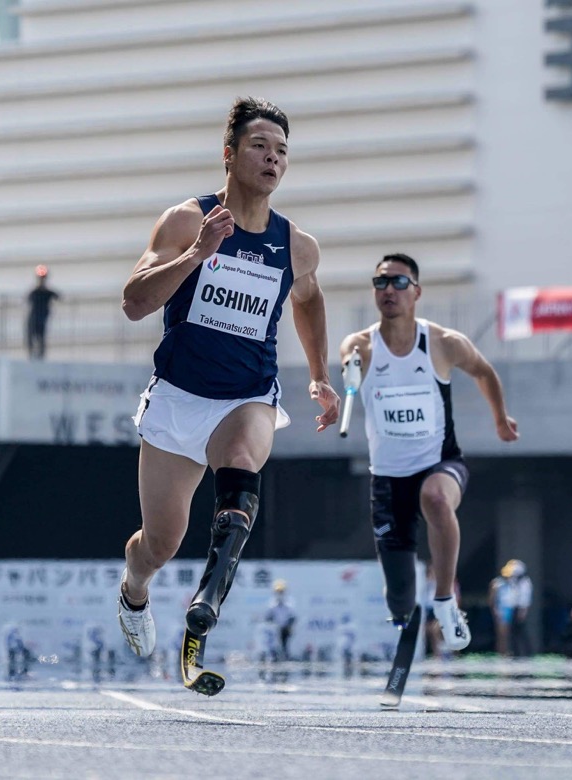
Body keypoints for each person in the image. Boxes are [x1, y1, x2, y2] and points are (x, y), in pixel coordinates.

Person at [115, 97, 340, 684]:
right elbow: (135, 303)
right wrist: (197, 255)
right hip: (178, 399)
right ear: (230, 154)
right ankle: (135, 589)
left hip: (247, 396)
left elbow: (309, 299)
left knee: (241, 464)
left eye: (283, 151)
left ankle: (204, 607)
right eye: (260, 146)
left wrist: (318, 374)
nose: (273, 159)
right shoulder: (188, 220)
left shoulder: (297, 245)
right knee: (159, 544)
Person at [339, 252, 518, 655]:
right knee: (399, 597)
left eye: (399, 283)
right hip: (387, 480)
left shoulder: (442, 342)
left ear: (416, 292)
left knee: (436, 498)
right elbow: (347, 362)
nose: (389, 290)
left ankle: (444, 600)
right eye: (381, 282)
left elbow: (484, 371)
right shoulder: (361, 346)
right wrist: (343, 375)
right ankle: (406, 617)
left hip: (440, 463)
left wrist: (501, 419)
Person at [25, 265, 59, 359]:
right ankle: (32, 355)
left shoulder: (48, 293)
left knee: (40, 338)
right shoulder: (34, 292)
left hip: (42, 318)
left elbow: (58, 296)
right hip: (34, 317)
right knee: (31, 337)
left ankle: (40, 355)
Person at [264, 579, 297, 661]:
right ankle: (274, 657)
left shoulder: (290, 603)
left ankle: (286, 657)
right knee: (273, 645)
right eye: (278, 592)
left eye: (281, 592)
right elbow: (268, 617)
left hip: (286, 629)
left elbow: (293, 617)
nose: (279, 594)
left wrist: (289, 626)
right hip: (274, 629)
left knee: (285, 644)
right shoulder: (271, 603)